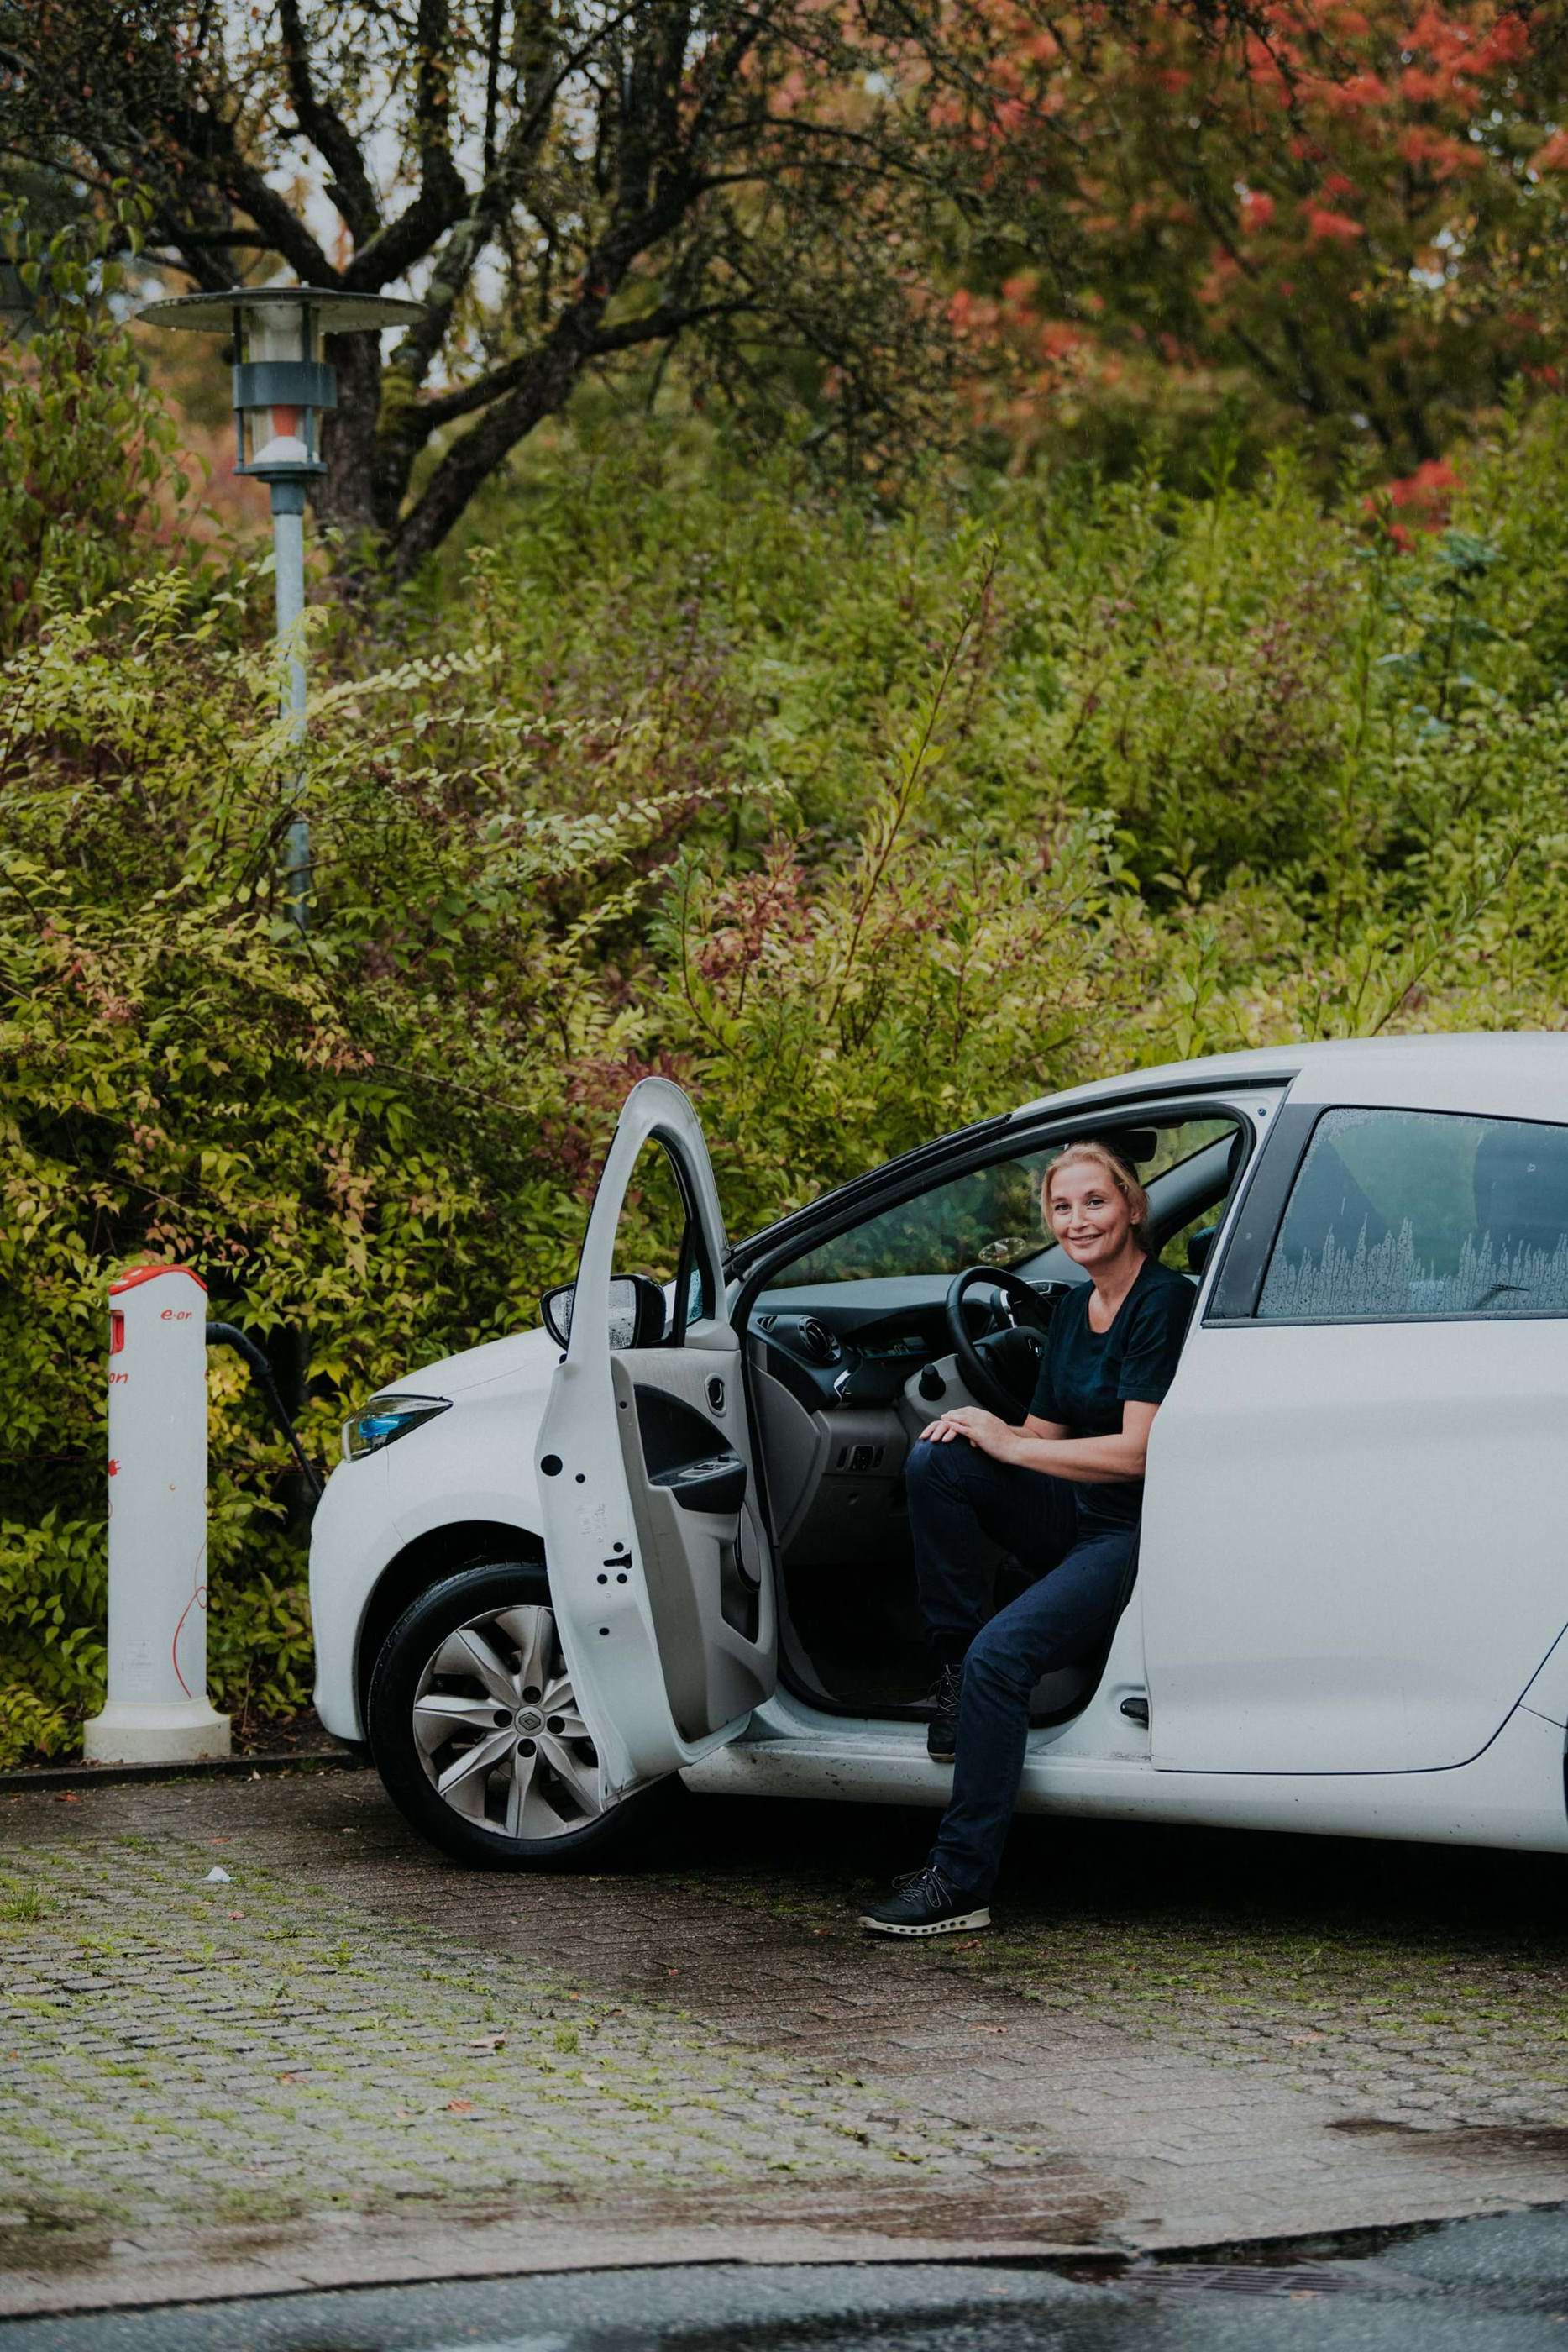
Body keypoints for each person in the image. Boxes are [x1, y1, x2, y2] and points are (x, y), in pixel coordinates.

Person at [858, 1140, 1195, 1938]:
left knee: (1001, 1658)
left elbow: (1137, 1454)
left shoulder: (1162, 1301)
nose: (1076, 1220)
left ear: (1132, 1207)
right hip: (1070, 1509)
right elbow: (1043, 1434)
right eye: (1061, 1207)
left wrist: (1013, 1450)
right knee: (939, 1458)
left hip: (1130, 1531)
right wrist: (986, 1429)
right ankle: (951, 1672)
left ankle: (960, 1882)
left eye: (1094, 1202)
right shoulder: (1074, 1309)